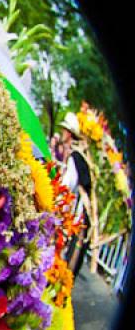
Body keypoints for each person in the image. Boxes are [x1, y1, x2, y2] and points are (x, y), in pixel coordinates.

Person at [60, 113, 94, 276]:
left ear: (69, 133)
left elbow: (67, 185)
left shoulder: (75, 157)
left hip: (77, 213)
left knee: (69, 251)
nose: (62, 132)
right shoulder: (80, 156)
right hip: (81, 213)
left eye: (64, 130)